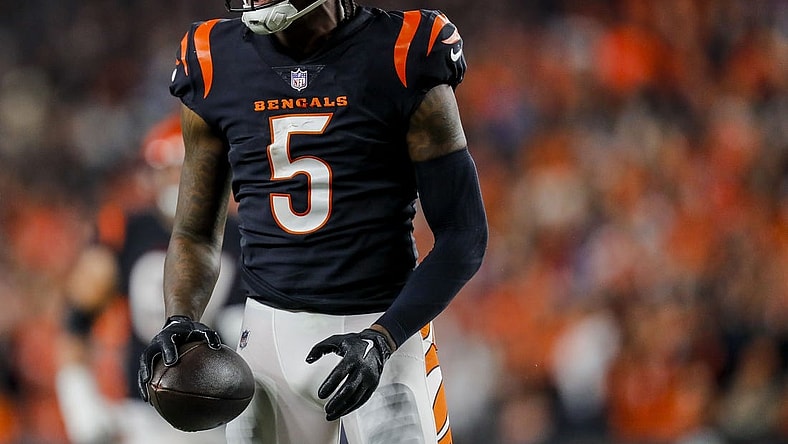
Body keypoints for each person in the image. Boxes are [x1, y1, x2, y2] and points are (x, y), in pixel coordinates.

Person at [137, 0, 488, 443]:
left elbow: (465, 236)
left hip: (381, 329)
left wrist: (382, 339)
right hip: (267, 337)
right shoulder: (213, 58)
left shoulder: (402, 52)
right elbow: (195, 231)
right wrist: (178, 317)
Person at [55, 114, 245, 444]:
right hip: (144, 414)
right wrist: (79, 399)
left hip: (222, 414)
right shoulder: (127, 230)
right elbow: (76, 316)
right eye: (167, 169)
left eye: (183, 168)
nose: (176, 180)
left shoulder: (238, 232)